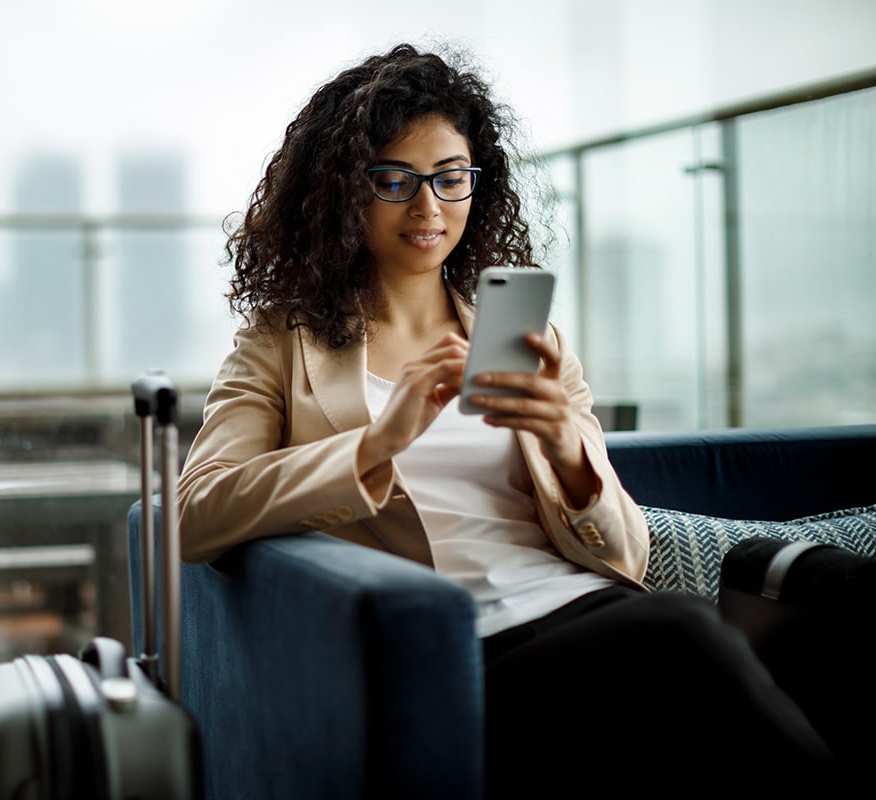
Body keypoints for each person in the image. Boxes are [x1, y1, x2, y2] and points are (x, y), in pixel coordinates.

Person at [176, 43, 847, 796]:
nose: (429, 207)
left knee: (813, 623)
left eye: (450, 178)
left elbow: (624, 556)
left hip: (593, 609)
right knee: (684, 634)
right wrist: (378, 441)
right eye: (394, 179)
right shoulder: (281, 343)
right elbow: (196, 514)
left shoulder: (528, 337)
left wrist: (567, 451)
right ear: (343, 194)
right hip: (464, 650)